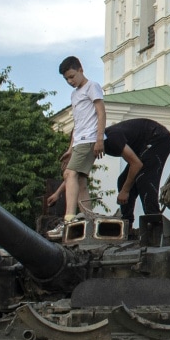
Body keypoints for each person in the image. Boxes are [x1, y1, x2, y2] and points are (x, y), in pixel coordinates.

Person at [104, 117, 170, 228]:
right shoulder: (104, 141)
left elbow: (136, 164)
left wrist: (125, 191)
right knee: (123, 180)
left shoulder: (112, 138)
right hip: (144, 144)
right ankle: (127, 225)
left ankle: (155, 223)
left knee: (145, 179)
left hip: (158, 138)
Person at [58, 57, 105, 223]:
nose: (70, 81)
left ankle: (69, 217)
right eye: (66, 79)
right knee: (80, 180)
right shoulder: (74, 94)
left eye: (72, 76)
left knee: (69, 173)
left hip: (89, 138)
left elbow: (101, 112)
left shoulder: (92, 86)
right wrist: (70, 149)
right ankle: (89, 217)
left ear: (80, 70)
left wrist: (100, 139)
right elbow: (77, 124)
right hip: (79, 140)